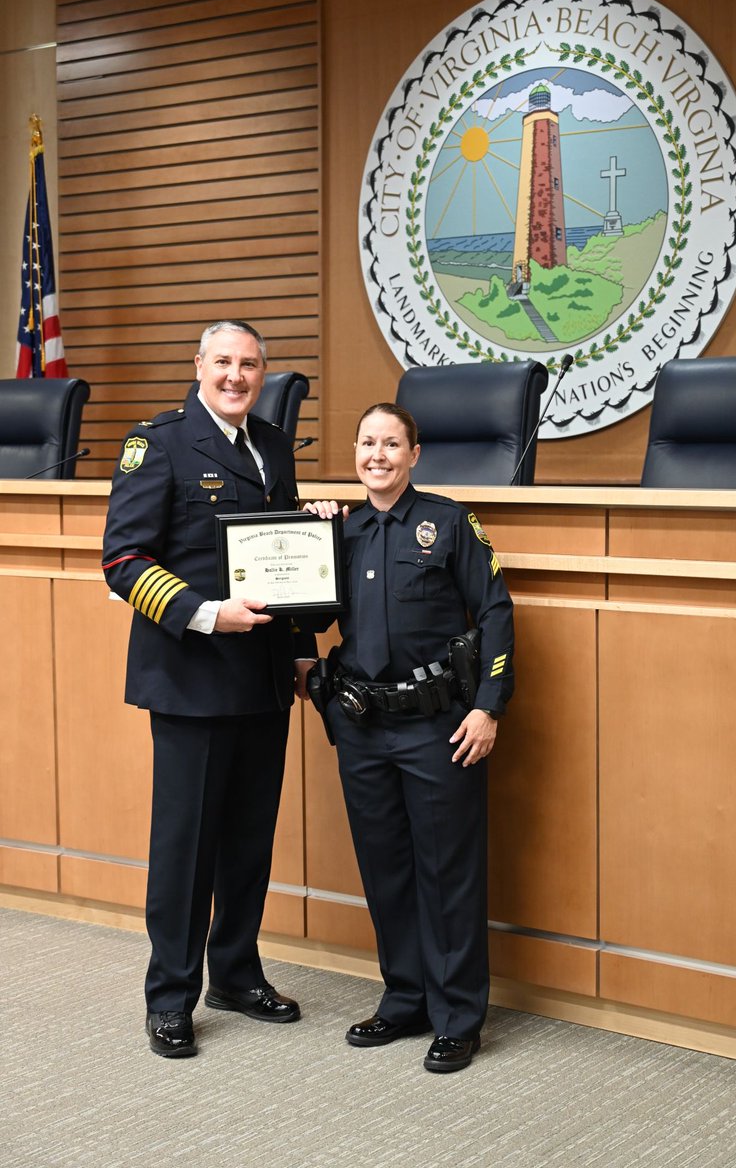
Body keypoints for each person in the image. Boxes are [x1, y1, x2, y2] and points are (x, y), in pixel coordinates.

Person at [102, 320, 317, 1058]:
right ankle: (170, 995)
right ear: (198, 365)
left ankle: (235, 972)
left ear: (264, 373)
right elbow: (123, 561)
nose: (237, 376)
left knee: (248, 843)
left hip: (261, 681)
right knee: (186, 849)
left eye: (250, 364)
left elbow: (288, 565)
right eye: (223, 362)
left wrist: (300, 650)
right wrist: (203, 613)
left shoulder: (275, 446)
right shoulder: (156, 443)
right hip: (191, 680)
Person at [306, 402, 514, 1073]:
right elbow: (299, 607)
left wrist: (488, 707)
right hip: (364, 728)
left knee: (447, 874)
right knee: (386, 872)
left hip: (438, 729)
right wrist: (301, 533)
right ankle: (405, 998)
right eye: (366, 442)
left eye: (391, 444)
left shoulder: (448, 522)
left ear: (414, 454)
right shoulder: (342, 530)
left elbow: (496, 613)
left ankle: (457, 1016)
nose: (377, 455)